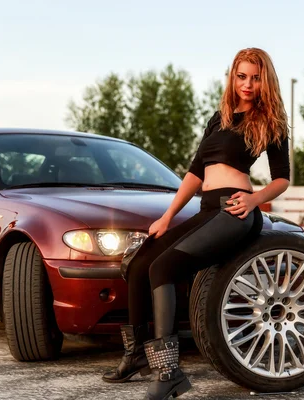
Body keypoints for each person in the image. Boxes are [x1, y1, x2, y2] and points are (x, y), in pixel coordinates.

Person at [102, 48, 291, 400]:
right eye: (241, 76)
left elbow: (283, 178)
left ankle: (169, 372)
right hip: (206, 210)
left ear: (264, 81)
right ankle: (137, 353)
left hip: (236, 212)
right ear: (232, 77)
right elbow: (194, 172)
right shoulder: (218, 119)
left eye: (254, 77)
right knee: (140, 262)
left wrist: (254, 199)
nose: (247, 84)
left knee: (164, 268)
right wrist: (168, 216)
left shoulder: (270, 122)